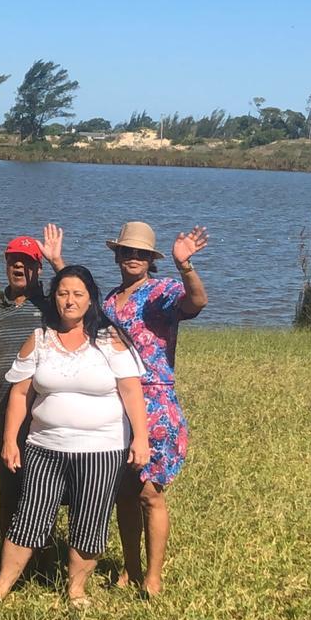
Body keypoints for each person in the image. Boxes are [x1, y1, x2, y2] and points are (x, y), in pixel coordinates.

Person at [0, 266, 151, 608]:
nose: (69, 301)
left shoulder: (111, 340)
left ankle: (76, 590)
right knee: (29, 516)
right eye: (62, 293)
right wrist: (10, 439)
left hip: (102, 450)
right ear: (54, 298)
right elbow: (19, 394)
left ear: (90, 300)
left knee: (90, 519)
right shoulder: (40, 338)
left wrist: (141, 439)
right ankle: (0, 586)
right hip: (44, 447)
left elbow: (132, 392)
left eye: (77, 294)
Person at [102, 221, 209, 598]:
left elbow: (196, 303)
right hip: (114, 403)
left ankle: (153, 576)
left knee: (150, 493)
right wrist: (58, 263)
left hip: (155, 402)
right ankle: (129, 570)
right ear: (116, 255)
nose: (133, 257)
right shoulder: (108, 300)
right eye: (126, 251)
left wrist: (186, 265)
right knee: (123, 494)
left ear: (151, 260)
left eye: (141, 253)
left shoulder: (162, 291)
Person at [0, 227, 64, 536]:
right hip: (2, 409)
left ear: (38, 268)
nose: (19, 267)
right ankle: (6, 548)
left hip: (43, 410)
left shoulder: (51, 305)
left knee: (42, 487)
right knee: (9, 484)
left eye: (27, 262)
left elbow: (80, 295)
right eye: (14, 260)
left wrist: (57, 260)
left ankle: (40, 551)